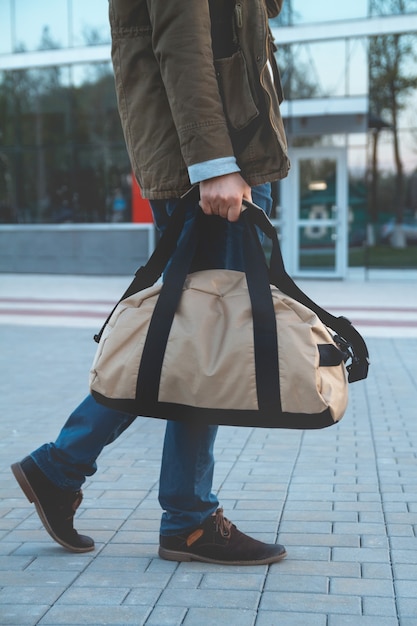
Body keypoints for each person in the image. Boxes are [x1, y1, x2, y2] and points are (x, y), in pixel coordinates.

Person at [11, 0, 290, 565]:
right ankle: (183, 516)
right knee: (200, 341)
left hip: (224, 165)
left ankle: (64, 470)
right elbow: (181, 43)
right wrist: (214, 162)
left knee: (189, 338)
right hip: (213, 171)